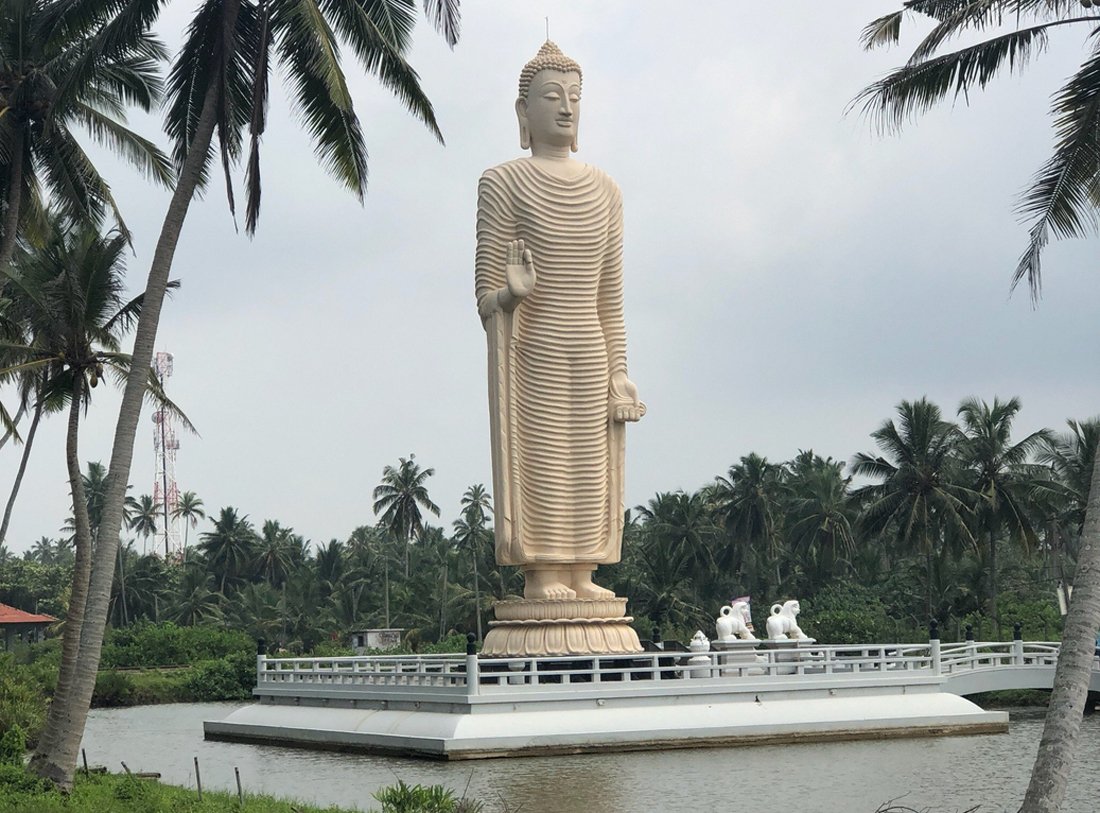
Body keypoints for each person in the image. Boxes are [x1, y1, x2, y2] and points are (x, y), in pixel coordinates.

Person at [475, 41, 644, 602]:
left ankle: (581, 570)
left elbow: (610, 298)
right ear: (523, 112)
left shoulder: (607, 191)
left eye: (575, 97)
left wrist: (619, 371)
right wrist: (509, 293)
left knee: (589, 463)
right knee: (545, 458)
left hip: (590, 347)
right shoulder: (502, 183)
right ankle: (544, 570)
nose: (566, 108)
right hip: (536, 344)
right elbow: (483, 297)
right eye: (552, 96)